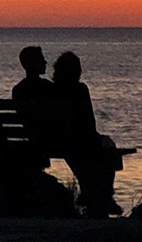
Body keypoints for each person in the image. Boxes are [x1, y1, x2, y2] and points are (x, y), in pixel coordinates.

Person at [51, 51, 123, 216]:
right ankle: (105, 196)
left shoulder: (51, 90)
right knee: (107, 147)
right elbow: (89, 122)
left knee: (87, 159)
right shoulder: (80, 89)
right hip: (77, 141)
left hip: (56, 141)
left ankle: (90, 193)